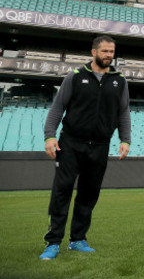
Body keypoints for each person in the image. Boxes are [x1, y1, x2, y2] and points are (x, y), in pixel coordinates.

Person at [39, 35, 131, 260]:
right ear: (94, 52)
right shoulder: (76, 76)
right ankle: (53, 242)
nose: (109, 55)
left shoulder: (120, 80)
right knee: (62, 192)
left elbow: (123, 112)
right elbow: (58, 107)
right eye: (105, 51)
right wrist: (49, 136)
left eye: (112, 51)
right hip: (70, 143)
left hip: (100, 146)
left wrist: (125, 139)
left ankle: (78, 239)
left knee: (89, 194)